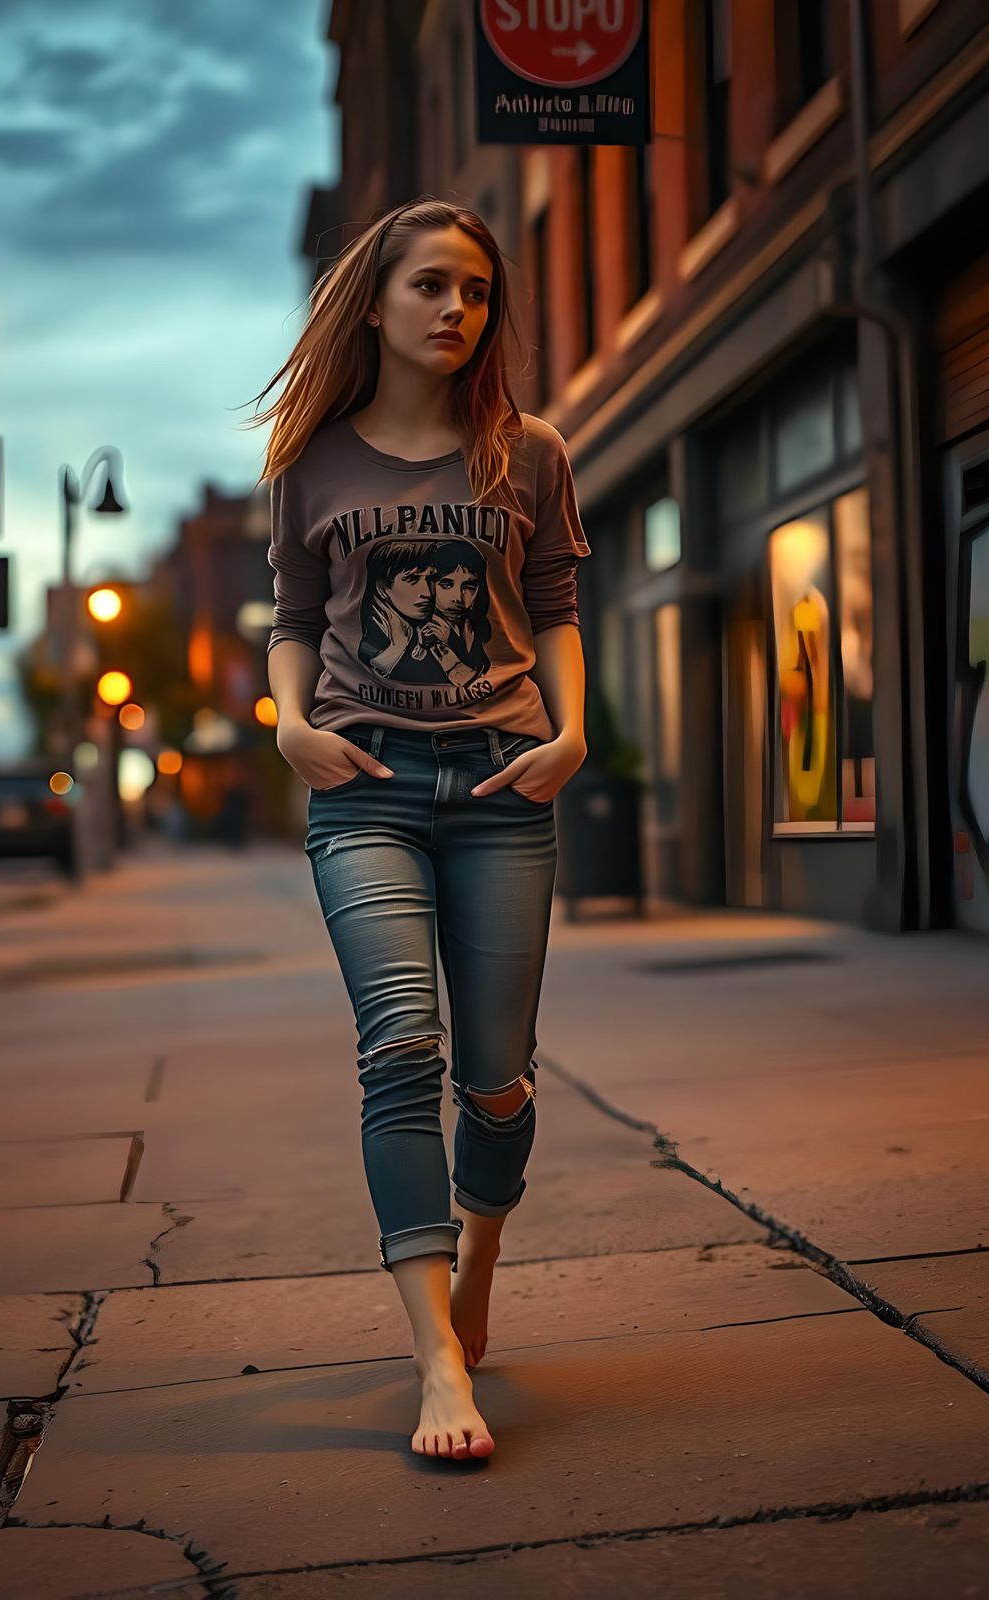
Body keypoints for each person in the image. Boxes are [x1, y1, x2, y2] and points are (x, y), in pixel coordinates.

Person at [243, 197, 590, 1462]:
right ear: (375, 303)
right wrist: (288, 724)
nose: (455, 309)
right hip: (365, 789)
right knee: (399, 1048)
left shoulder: (529, 452)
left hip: (502, 788)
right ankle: (435, 1356)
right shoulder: (310, 463)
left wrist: (572, 732)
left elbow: (553, 602)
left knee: (494, 1078)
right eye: (430, 285)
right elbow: (293, 619)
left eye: (475, 290)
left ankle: (478, 1250)